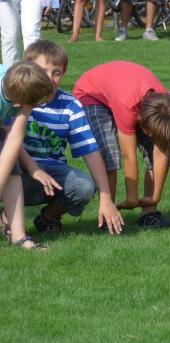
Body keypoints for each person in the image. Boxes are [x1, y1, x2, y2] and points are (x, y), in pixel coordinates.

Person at [20, 41, 124, 234]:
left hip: (53, 172)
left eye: (56, 73)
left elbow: (90, 151)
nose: (50, 78)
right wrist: (33, 169)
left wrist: (106, 196)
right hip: (19, 168)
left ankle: (48, 217)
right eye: (42, 71)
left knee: (84, 186)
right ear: (28, 69)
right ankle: (8, 217)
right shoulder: (17, 98)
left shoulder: (71, 105)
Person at [73, 61, 170, 228]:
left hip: (124, 92)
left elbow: (161, 152)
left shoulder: (166, 105)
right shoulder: (127, 105)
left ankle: (149, 213)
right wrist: (132, 198)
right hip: (92, 95)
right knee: (110, 155)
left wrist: (154, 198)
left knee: (167, 150)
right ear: (142, 122)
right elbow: (129, 156)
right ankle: (108, 215)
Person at [0, 62, 54, 249]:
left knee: (12, 168)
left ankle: (19, 236)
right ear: (18, 104)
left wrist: (32, 168)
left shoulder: (18, 82)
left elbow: (13, 138)